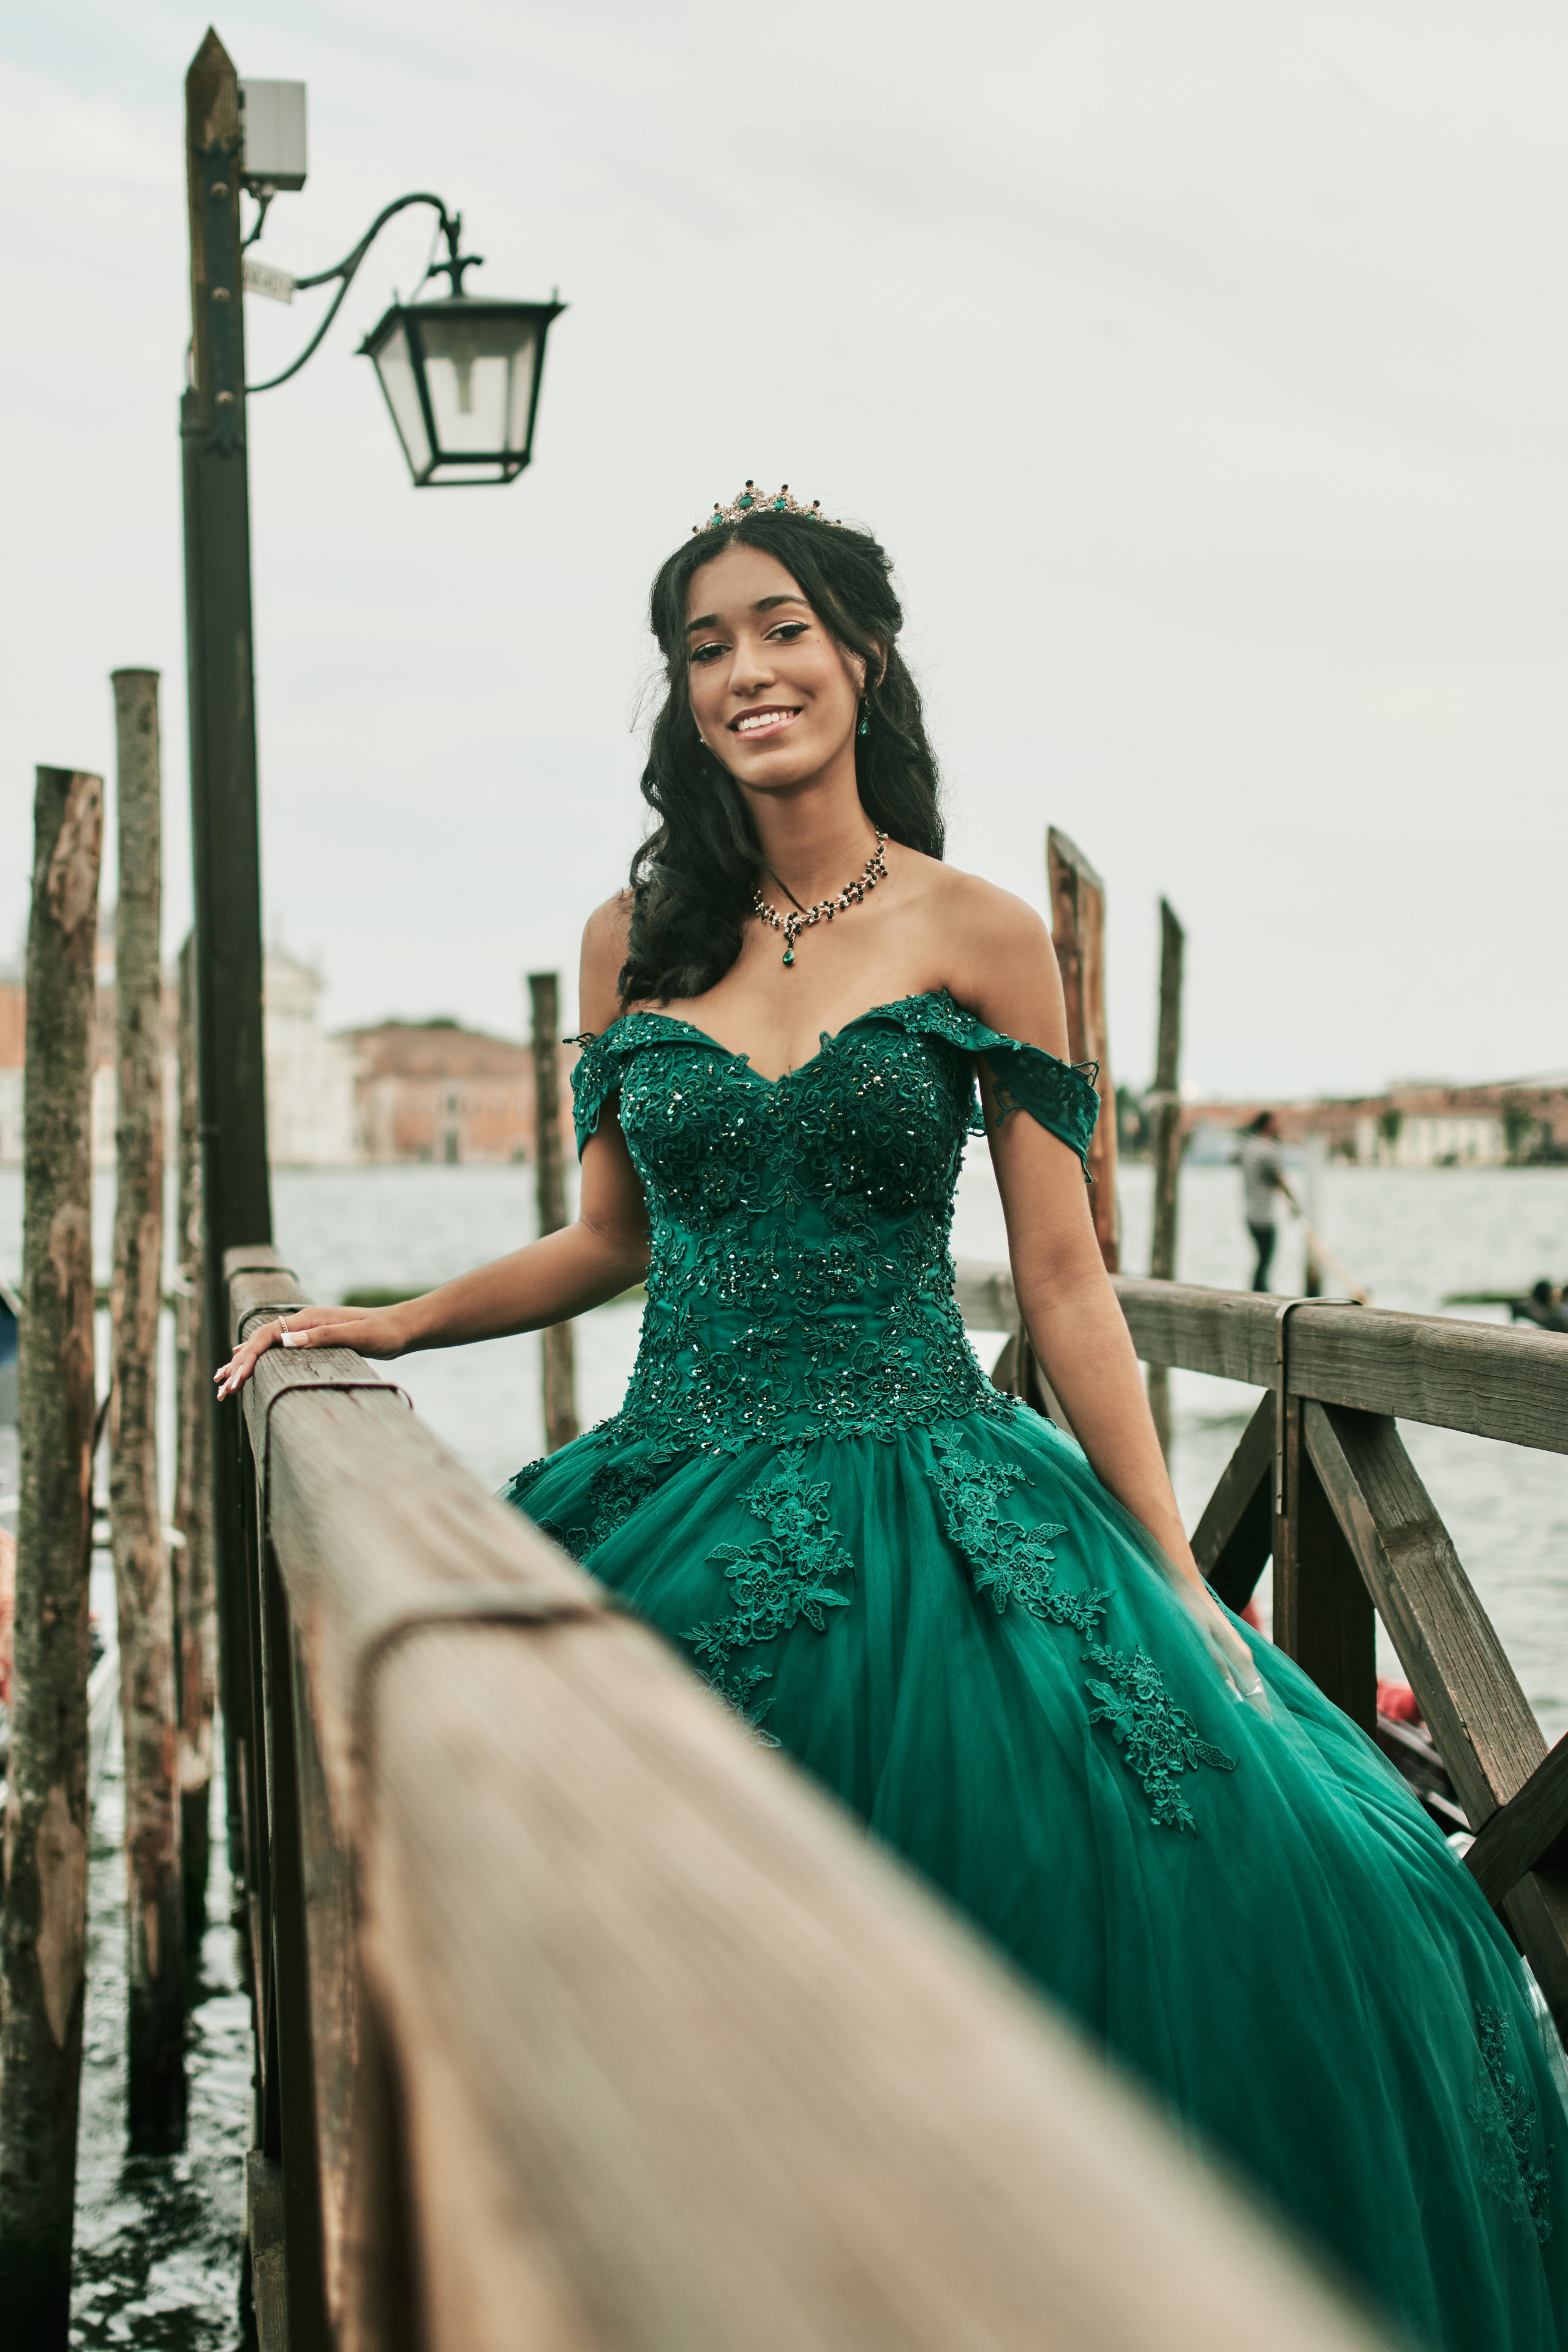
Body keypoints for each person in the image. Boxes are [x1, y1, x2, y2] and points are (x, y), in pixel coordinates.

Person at [219, 487, 1568, 2349]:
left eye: (780, 628)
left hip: (944, 1493)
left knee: (1251, 1896)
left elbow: (1070, 1283)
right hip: (674, 1481)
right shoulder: (637, 931)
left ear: (857, 653)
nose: (745, 672)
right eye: (704, 648)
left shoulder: (983, 933)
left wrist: (1178, 1569)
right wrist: (389, 1314)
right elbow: (606, 1235)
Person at [1237, 1108, 1284, 1291]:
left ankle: (1258, 1290)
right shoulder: (1267, 1150)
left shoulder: (1248, 1147)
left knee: (1261, 1258)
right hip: (1264, 1215)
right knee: (1266, 1259)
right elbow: (1280, 1179)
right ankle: (1261, 1292)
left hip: (1250, 1213)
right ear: (1268, 1125)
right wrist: (1295, 1205)